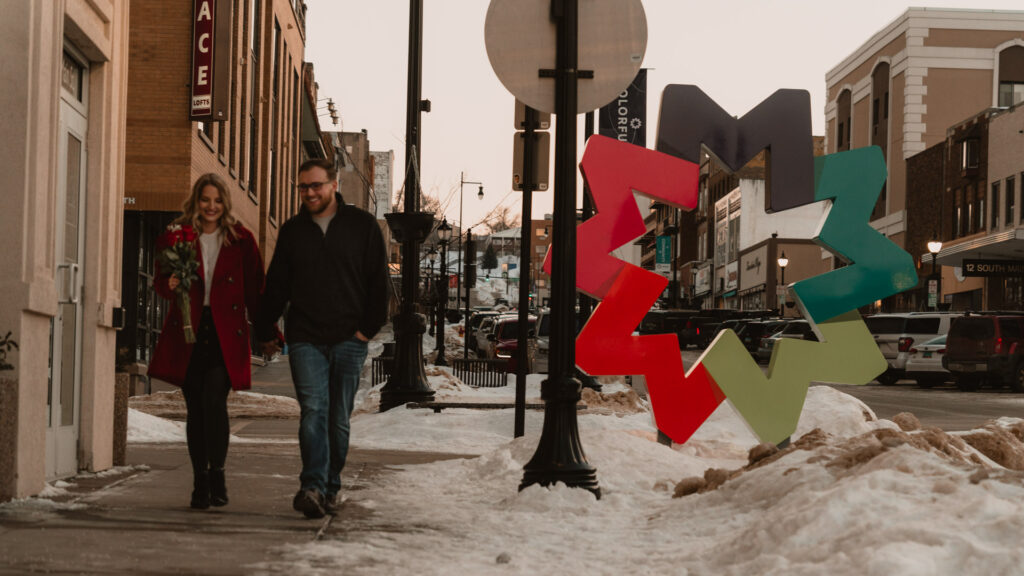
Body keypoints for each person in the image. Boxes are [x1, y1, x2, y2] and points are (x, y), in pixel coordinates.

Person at [257, 158, 389, 519]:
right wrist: (264, 328)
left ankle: (330, 485)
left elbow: (379, 283)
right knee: (313, 411)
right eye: (303, 187)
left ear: (334, 184)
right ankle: (312, 486)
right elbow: (277, 285)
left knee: (338, 418)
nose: (310, 192)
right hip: (306, 338)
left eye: (316, 185)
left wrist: (366, 329)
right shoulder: (293, 231)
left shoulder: (361, 226)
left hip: (350, 338)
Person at [149, 173, 265, 510]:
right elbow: (159, 281)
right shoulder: (177, 236)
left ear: (224, 202)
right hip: (189, 329)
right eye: (205, 199)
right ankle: (200, 482)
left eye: (217, 200)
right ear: (196, 201)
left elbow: (255, 289)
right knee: (195, 408)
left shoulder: (241, 239)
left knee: (214, 400)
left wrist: (268, 332)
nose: (211, 206)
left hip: (225, 332)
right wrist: (168, 284)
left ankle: (218, 474)